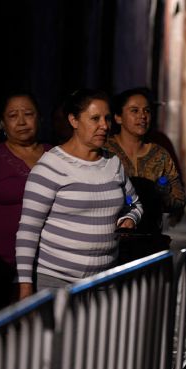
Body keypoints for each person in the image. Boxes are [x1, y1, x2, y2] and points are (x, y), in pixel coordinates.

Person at [16, 89, 142, 299]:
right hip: (55, 285)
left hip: (104, 282)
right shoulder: (50, 167)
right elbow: (28, 231)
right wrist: (25, 286)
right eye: (95, 119)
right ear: (73, 120)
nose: (104, 126)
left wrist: (130, 217)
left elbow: (134, 203)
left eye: (107, 118)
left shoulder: (113, 164)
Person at [0, 93, 51, 273]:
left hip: (51, 261)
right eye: (13, 116)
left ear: (40, 118)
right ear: (3, 123)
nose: (21, 122)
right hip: (3, 264)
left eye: (28, 114)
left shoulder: (56, 155)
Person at [106, 88, 184, 260]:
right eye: (134, 111)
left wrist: (161, 194)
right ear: (118, 117)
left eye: (147, 111)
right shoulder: (105, 152)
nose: (142, 116)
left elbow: (178, 201)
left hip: (149, 244)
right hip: (110, 245)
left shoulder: (160, 155)